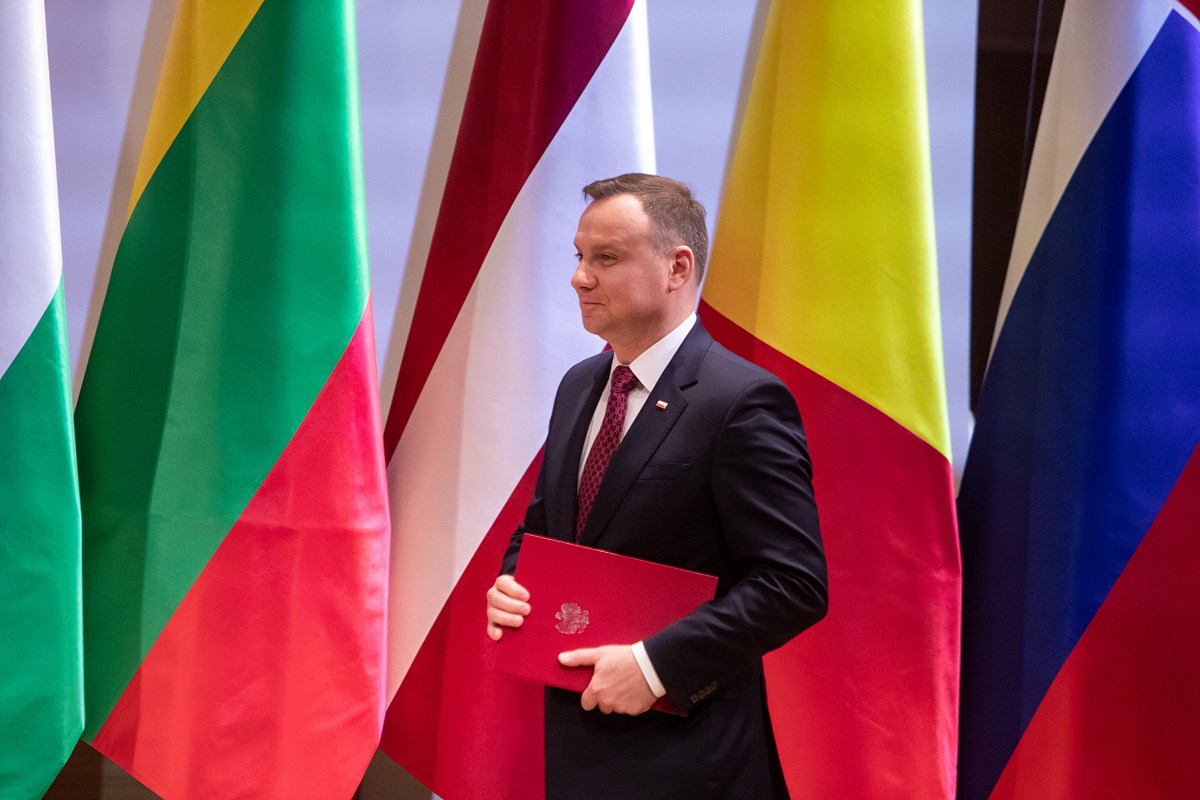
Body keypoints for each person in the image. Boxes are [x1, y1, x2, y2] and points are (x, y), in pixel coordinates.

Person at [486, 173, 828, 799]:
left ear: (677, 268)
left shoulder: (741, 401)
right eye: (579, 256)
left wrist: (654, 666)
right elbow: (545, 529)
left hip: (691, 762)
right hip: (577, 751)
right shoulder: (578, 386)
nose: (579, 278)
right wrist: (514, 584)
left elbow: (794, 585)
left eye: (606, 258)